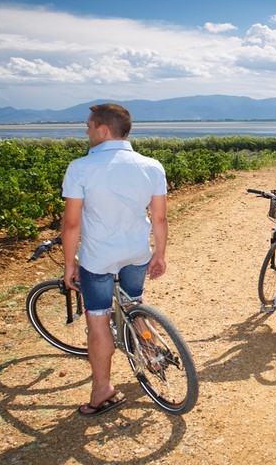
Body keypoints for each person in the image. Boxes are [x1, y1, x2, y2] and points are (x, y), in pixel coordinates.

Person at [61, 103, 168, 417]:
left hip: (98, 259)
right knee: (134, 303)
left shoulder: (80, 168)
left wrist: (70, 265)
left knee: (98, 319)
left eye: (89, 125)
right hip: (136, 253)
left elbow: (71, 224)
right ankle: (151, 352)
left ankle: (103, 390)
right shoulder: (152, 166)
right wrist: (159, 254)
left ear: (103, 129)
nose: (86, 130)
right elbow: (159, 219)